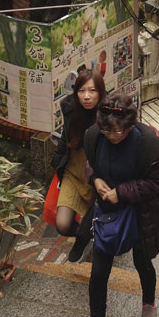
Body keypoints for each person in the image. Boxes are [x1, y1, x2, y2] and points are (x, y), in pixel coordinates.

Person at [76, 91, 159, 317]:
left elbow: (154, 183)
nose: (113, 136)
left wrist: (122, 192)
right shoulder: (94, 136)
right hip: (107, 213)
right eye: (108, 132)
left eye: (119, 132)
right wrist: (94, 179)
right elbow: (90, 163)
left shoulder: (147, 142)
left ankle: (148, 302)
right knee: (98, 273)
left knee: (142, 262)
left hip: (140, 213)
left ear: (130, 125)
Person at [51, 68, 106, 263]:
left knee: (92, 220)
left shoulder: (107, 115)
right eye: (81, 91)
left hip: (97, 176)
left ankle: (90, 238)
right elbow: (66, 138)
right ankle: (91, 236)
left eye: (92, 91)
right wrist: (56, 163)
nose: (87, 96)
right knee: (63, 225)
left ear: (100, 92)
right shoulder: (69, 108)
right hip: (73, 172)